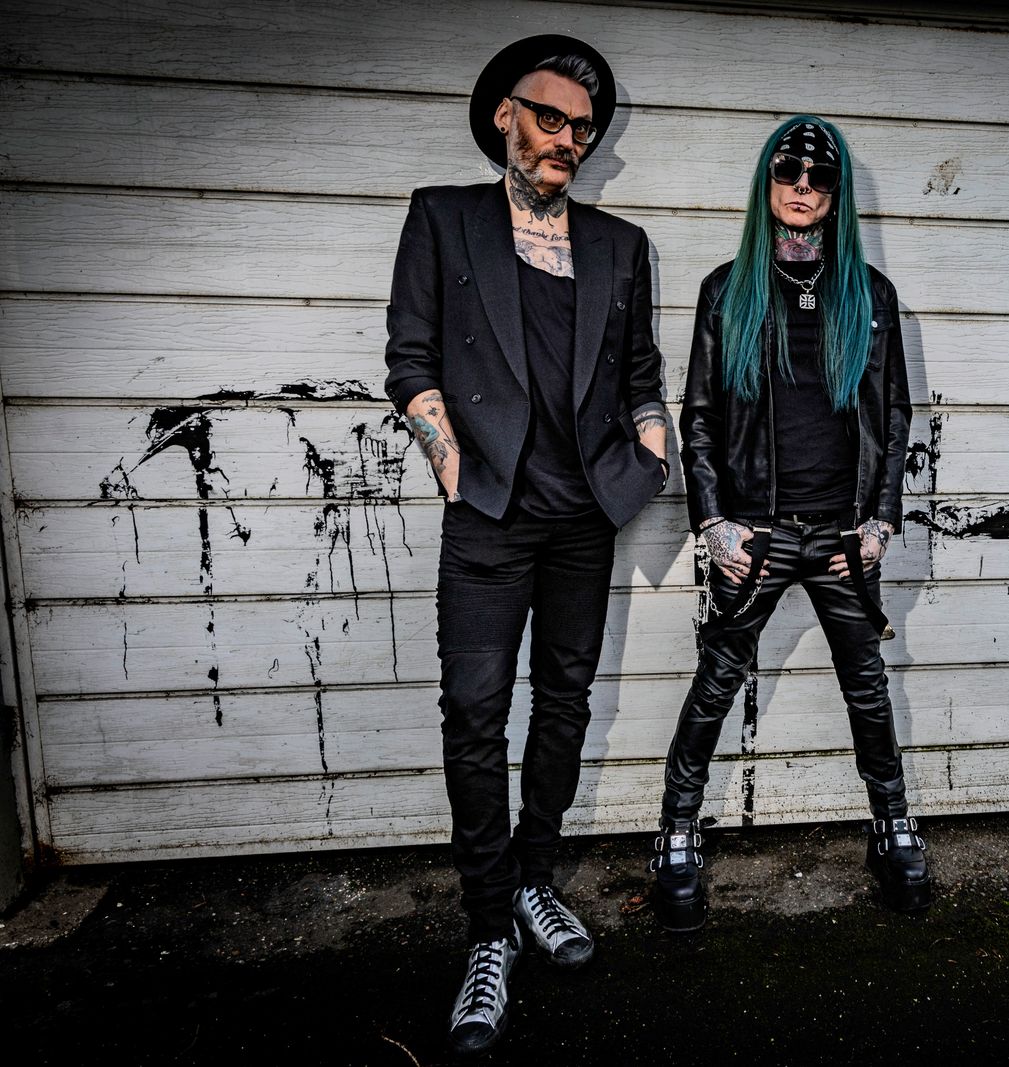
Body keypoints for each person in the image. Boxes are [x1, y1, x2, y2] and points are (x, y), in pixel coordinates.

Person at [383, 34, 669, 1054]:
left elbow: (641, 373)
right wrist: (453, 466)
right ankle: (487, 926)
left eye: (582, 127)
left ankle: (536, 880)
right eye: (550, 116)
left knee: (564, 701)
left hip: (583, 518)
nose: (567, 139)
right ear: (505, 114)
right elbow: (409, 356)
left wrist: (649, 458)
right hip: (489, 517)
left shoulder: (619, 244)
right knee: (473, 713)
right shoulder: (444, 217)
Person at [648, 116, 928, 931]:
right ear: (766, 184)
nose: (803, 187)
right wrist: (714, 523)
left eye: (820, 176)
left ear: (837, 194)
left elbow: (894, 416)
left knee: (867, 685)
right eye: (788, 172)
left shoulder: (870, 297)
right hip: (757, 534)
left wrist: (879, 523)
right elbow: (700, 415)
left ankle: (892, 825)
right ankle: (676, 832)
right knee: (715, 681)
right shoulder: (726, 291)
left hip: (843, 535)